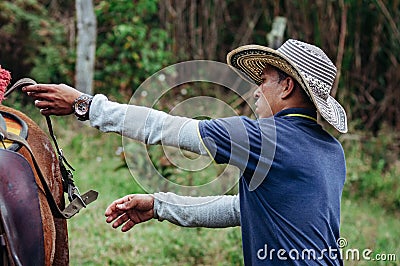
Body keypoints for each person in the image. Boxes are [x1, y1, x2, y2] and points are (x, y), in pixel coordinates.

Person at [23, 39, 347, 265]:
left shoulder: (266, 138)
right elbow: (246, 210)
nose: (256, 90)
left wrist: (85, 105)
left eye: (264, 80)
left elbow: (165, 128)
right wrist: (160, 205)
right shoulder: (332, 152)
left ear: (287, 87)